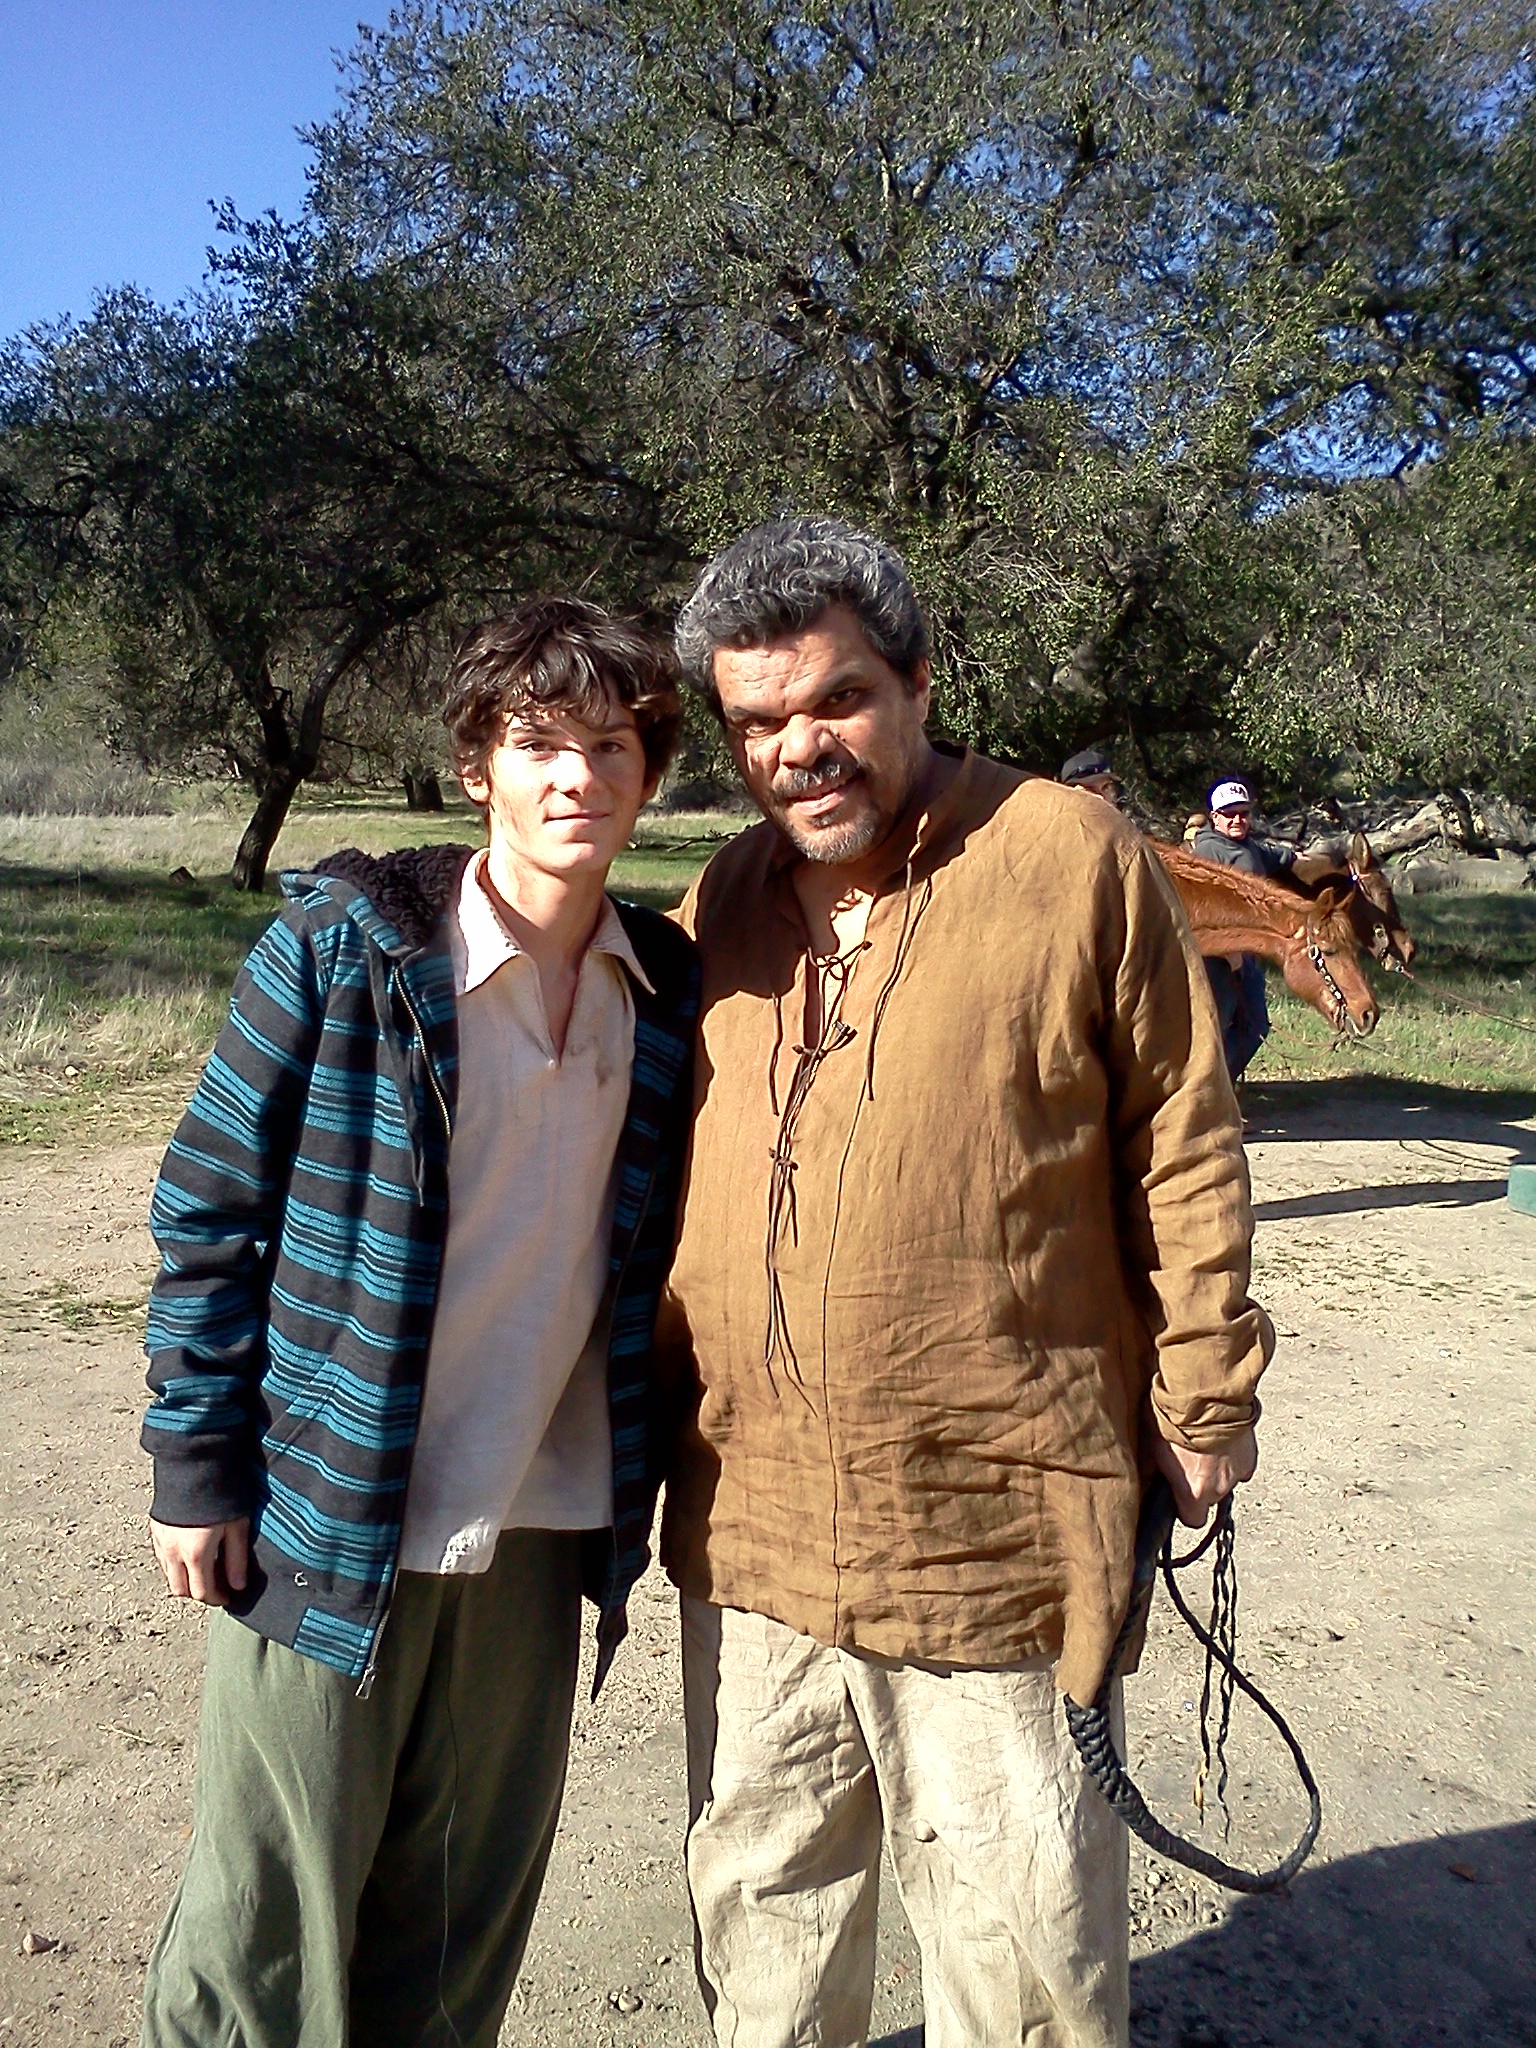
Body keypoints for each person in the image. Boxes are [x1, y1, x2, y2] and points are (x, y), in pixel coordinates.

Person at [659, 517, 1273, 2048]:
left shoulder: (1071, 861)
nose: (801, 748)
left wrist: (1207, 1391)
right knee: (766, 1934)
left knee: (1021, 1954)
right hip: (756, 1529)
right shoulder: (721, 903)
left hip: (992, 1522)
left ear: (920, 683)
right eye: (758, 723)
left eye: (836, 702)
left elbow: (1184, 1138)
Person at [138, 599, 699, 2048]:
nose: (579, 778)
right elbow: (208, 1207)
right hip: (331, 1514)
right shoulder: (346, 952)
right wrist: (197, 1470)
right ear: (478, 768)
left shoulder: (669, 991)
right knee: (269, 1928)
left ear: (653, 773)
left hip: (539, 1520)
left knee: (456, 1926)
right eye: (541, 746)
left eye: (614, 747)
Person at [1191, 778, 1295, 1080]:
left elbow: (1275, 855)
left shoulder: (1248, 846)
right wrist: (1228, 951)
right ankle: (1206, 1094)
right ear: (1215, 817)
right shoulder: (1209, 853)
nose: (1238, 819)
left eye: (1244, 813)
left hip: (1248, 955)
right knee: (1216, 1028)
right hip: (1218, 960)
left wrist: (1301, 859)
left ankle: (1220, 1089)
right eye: (1230, 813)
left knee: (1255, 1025)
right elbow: (1206, 909)